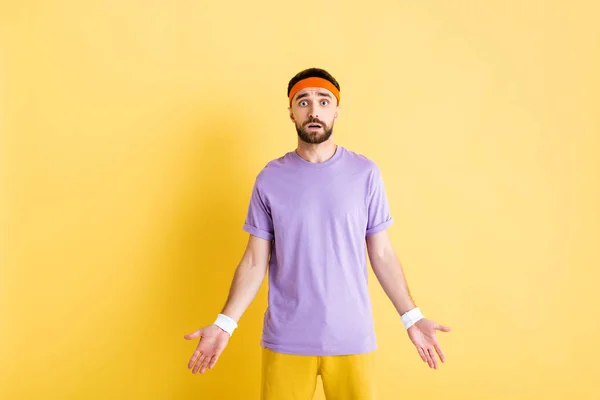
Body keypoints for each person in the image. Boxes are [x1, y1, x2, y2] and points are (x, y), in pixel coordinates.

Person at [184, 68, 452, 399]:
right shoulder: (269, 179)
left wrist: (412, 317)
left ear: (336, 110)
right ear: (291, 111)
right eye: (304, 102)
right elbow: (255, 261)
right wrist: (224, 325)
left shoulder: (365, 174)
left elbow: (381, 253)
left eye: (323, 102)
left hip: (352, 338)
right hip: (286, 340)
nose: (314, 111)